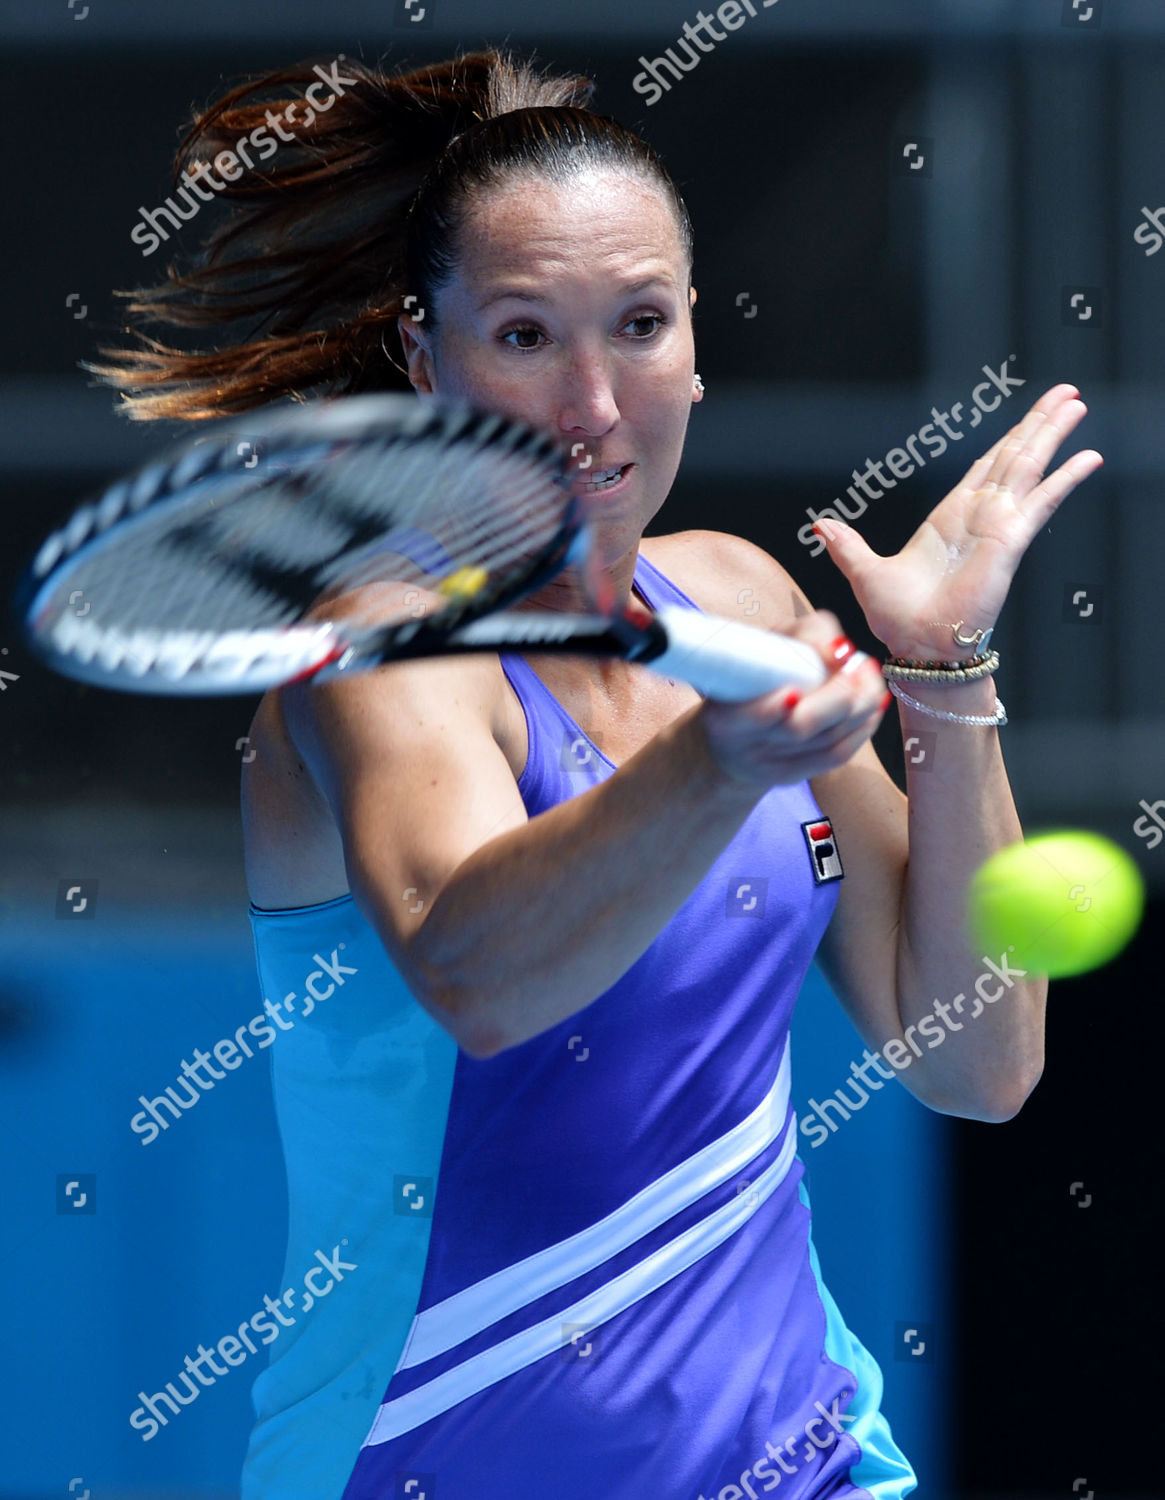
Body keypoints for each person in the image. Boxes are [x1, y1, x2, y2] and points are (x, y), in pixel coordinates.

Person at [88, 45, 1101, 1500]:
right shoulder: (378, 650)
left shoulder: (743, 606)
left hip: (806, 1463)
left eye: (638, 326)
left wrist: (943, 672)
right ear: (424, 357)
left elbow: (977, 1062)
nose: (591, 404)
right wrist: (711, 764)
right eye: (522, 335)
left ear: (697, 342)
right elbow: (478, 977)